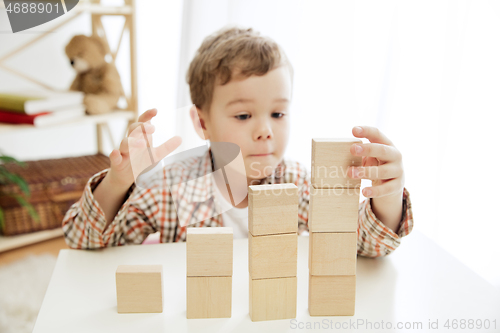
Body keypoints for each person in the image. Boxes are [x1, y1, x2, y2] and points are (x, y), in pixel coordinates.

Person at [62, 27, 413, 257]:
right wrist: (119, 181)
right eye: (244, 116)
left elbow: (366, 243)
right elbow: (83, 240)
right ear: (202, 123)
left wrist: (387, 195)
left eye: (278, 114)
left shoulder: (298, 184)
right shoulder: (170, 188)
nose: (265, 131)